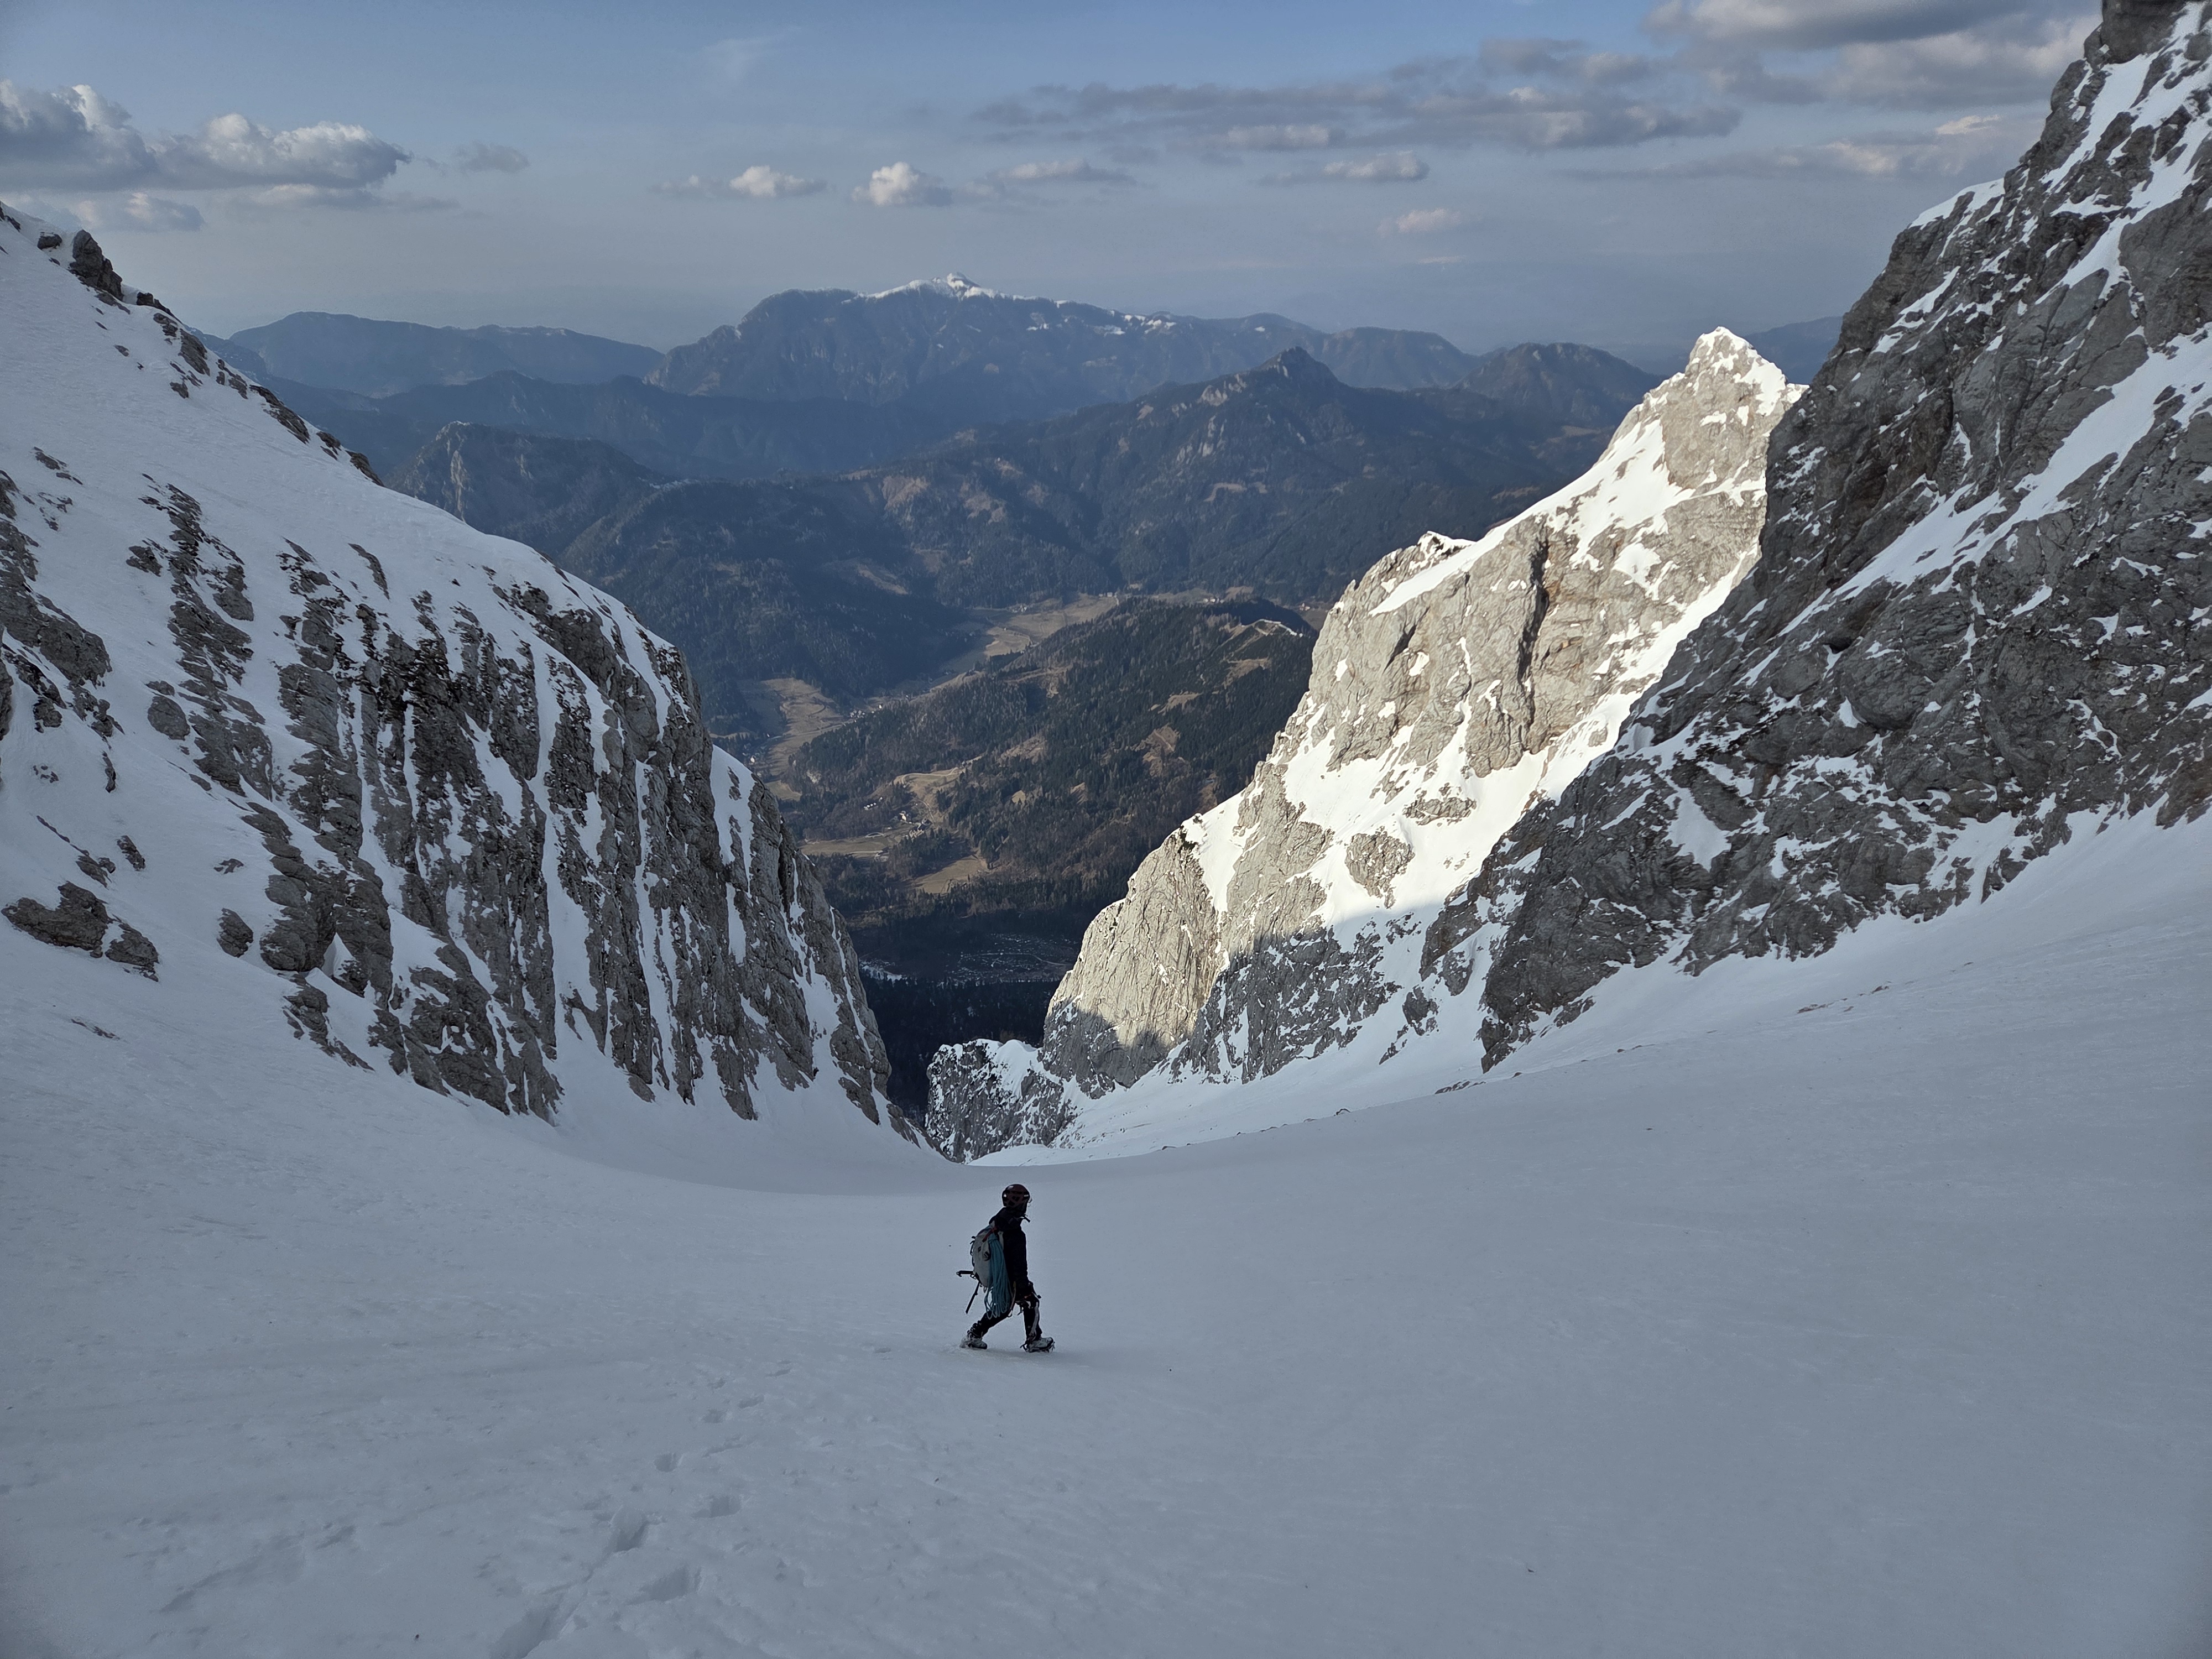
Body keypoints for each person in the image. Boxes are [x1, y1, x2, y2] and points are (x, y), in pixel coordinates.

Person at [963, 1182, 1053, 1352]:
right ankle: (1034, 1341)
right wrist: (1024, 1288)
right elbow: (1019, 1266)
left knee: (1004, 1308)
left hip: (1001, 1276)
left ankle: (974, 1335)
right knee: (1031, 1301)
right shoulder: (1016, 1234)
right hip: (1010, 1278)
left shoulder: (999, 1221)